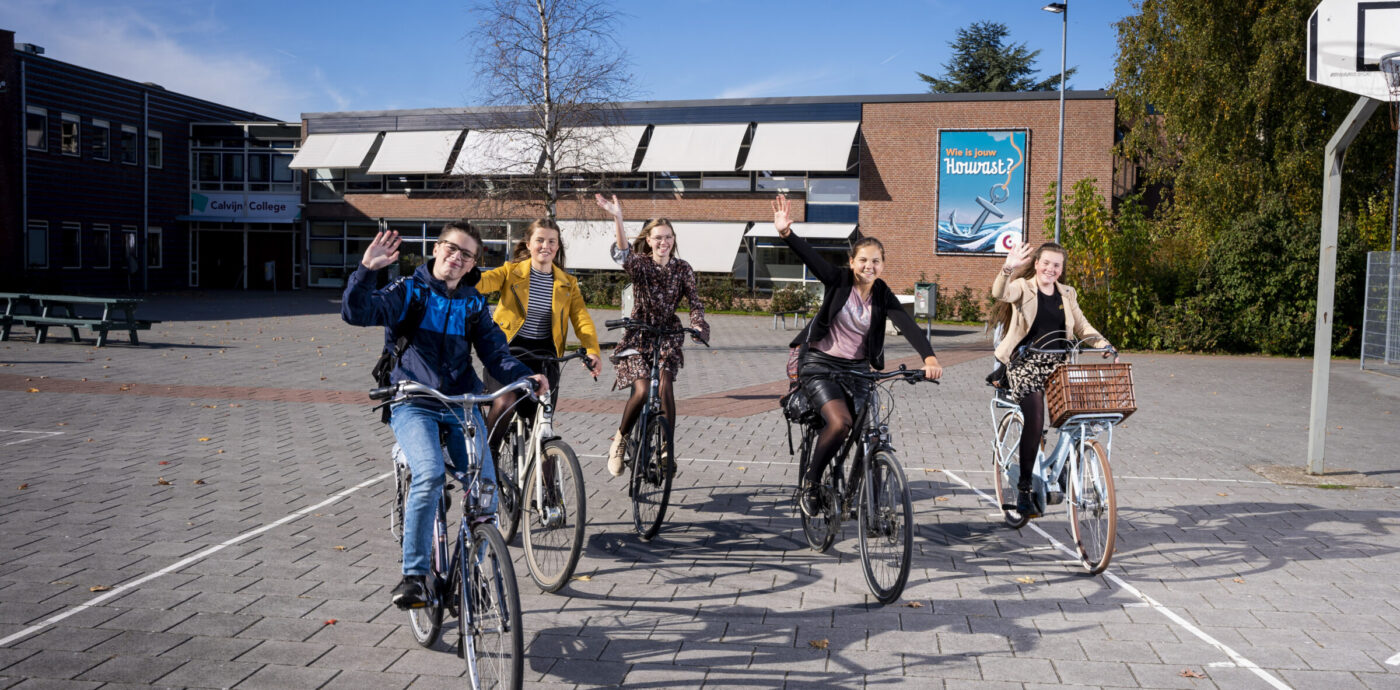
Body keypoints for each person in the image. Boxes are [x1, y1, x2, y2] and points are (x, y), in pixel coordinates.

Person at [342, 221, 547, 609]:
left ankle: (472, 573)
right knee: (431, 473)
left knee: (485, 487)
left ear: (472, 265)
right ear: (437, 249)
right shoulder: (409, 291)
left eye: (466, 254)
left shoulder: (472, 303)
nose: (457, 258)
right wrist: (366, 271)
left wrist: (524, 378)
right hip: (413, 399)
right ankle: (414, 577)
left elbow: (495, 353)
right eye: (452, 249)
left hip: (460, 403)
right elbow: (357, 312)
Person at [770, 195, 943, 516]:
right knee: (840, 423)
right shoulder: (839, 280)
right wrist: (786, 234)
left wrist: (929, 358)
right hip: (820, 365)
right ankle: (812, 480)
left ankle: (862, 497)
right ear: (852, 262)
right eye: (863, 260)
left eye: (875, 261)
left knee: (871, 432)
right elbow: (812, 259)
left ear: (883, 265)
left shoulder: (882, 292)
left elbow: (907, 323)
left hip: (859, 370)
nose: (869, 266)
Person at [990, 240, 1114, 518]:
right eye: (1045, 263)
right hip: (1025, 364)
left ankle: (1064, 464)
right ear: (1036, 264)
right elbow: (999, 293)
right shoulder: (1023, 288)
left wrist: (1103, 345)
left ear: (1061, 269)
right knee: (1035, 418)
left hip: (1059, 365)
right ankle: (1023, 488)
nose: (1050, 269)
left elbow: (1082, 326)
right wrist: (1008, 268)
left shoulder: (1067, 293)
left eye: (1056, 265)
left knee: (1080, 415)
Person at [594, 193, 710, 477]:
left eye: (668, 237)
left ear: (674, 240)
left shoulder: (683, 269)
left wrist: (698, 325)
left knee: (666, 385)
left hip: (668, 335)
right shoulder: (642, 265)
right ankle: (620, 440)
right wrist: (617, 218)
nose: (663, 242)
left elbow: (695, 302)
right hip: (639, 335)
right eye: (658, 237)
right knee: (644, 389)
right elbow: (622, 253)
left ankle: (667, 448)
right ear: (648, 240)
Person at [475, 218, 603, 452]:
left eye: (552, 241)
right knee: (505, 402)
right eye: (540, 240)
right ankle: (488, 461)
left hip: (545, 357)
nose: (546, 246)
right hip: (506, 353)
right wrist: (463, 274)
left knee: (543, 427)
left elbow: (581, 318)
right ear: (528, 244)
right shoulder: (510, 272)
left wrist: (592, 349)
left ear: (558, 246)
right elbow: (483, 282)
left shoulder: (568, 283)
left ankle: (550, 487)